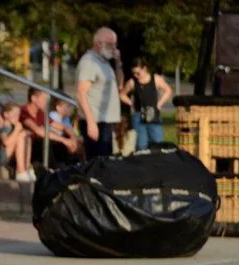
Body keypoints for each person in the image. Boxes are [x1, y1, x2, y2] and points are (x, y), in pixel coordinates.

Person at [75, 27, 123, 159]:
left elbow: (120, 84)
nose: (113, 47)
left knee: (106, 161)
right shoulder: (89, 62)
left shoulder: (104, 62)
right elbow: (80, 93)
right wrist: (91, 123)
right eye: (109, 44)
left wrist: (118, 62)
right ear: (97, 43)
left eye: (115, 44)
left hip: (105, 121)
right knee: (97, 162)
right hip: (95, 120)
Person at [120, 58, 173, 151]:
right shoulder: (132, 82)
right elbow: (122, 95)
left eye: (138, 73)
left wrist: (159, 104)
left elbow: (168, 90)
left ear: (144, 69)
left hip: (154, 115)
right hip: (139, 117)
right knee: (141, 146)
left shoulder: (155, 79)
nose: (136, 75)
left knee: (157, 144)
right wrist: (131, 103)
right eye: (134, 73)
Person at [21, 88, 77, 168]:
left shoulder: (40, 113)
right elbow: (38, 131)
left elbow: (62, 127)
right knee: (48, 138)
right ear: (34, 98)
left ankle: (71, 167)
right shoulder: (24, 111)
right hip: (30, 146)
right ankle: (54, 168)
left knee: (67, 138)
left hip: (38, 145)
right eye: (43, 99)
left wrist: (73, 138)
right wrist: (64, 140)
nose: (46, 102)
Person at [0, 103, 32, 181]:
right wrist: (17, 130)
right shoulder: (1, 125)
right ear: (6, 115)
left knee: (26, 137)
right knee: (21, 136)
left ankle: (26, 168)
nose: (17, 117)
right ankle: (21, 171)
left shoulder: (14, 126)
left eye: (18, 115)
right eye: (15, 114)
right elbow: (6, 143)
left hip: (10, 155)